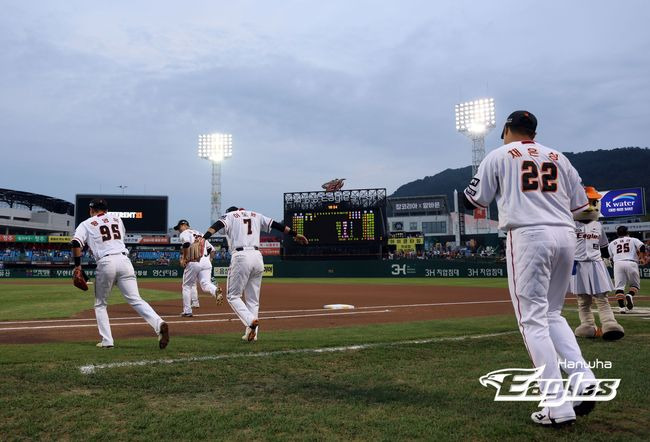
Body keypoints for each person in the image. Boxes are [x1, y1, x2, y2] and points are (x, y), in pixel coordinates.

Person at [463, 110, 595, 427]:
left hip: (529, 236)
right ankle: (584, 380)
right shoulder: (559, 157)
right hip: (565, 236)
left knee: (532, 321)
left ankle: (556, 406)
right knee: (551, 314)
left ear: (508, 129)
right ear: (533, 132)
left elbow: (473, 202)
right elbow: (584, 211)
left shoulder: (499, 155)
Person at [71, 198, 169, 349]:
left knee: (100, 304)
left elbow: (76, 243)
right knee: (136, 299)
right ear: (106, 209)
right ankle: (159, 323)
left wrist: (78, 266)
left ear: (91, 210)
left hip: (106, 263)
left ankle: (107, 341)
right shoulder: (117, 219)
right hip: (124, 260)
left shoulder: (86, 223)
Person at [202, 206, 308, 341]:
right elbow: (277, 225)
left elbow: (217, 226)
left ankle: (250, 320)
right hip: (258, 256)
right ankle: (253, 334)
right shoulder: (255, 214)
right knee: (253, 300)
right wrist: (295, 234)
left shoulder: (230, 215)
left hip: (241, 256)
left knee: (233, 296)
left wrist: (203, 238)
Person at [570, 186, 624, 340]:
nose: (591, 206)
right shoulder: (570, 224)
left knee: (602, 297)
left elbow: (604, 246)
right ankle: (587, 326)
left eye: (594, 202)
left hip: (595, 263)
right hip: (578, 264)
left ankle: (609, 324)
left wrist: (607, 259)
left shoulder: (598, 226)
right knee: (583, 300)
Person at [173, 219, 223, 317]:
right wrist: (210, 260)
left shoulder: (184, 233)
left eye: (179, 228)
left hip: (193, 259)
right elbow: (212, 250)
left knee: (186, 286)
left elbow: (186, 244)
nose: (179, 230)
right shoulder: (200, 234)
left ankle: (187, 311)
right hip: (205, 260)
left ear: (183, 225)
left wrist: (184, 258)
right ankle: (215, 290)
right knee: (205, 285)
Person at [608, 225, 647, 313]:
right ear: (627, 232)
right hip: (631, 262)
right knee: (635, 285)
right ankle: (629, 295)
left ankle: (621, 307)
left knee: (619, 287)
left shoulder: (612, 243)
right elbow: (642, 247)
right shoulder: (633, 239)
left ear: (617, 233)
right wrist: (642, 258)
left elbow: (610, 257)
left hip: (618, 263)